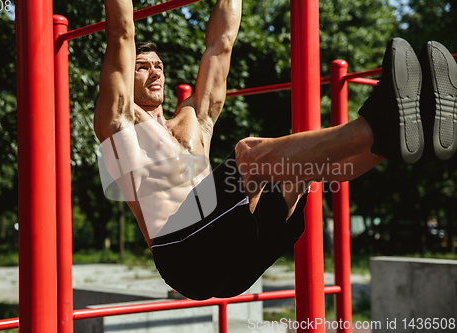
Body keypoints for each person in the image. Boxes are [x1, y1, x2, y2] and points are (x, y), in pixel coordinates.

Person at [94, 0, 457, 300]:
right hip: (184, 255)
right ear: (126, 77)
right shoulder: (120, 125)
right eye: (142, 68)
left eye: (159, 66)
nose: (155, 73)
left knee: (297, 171)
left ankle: (392, 142)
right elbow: (122, 32)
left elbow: (220, 44)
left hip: (233, 262)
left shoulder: (194, 123)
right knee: (249, 155)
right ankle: (375, 124)